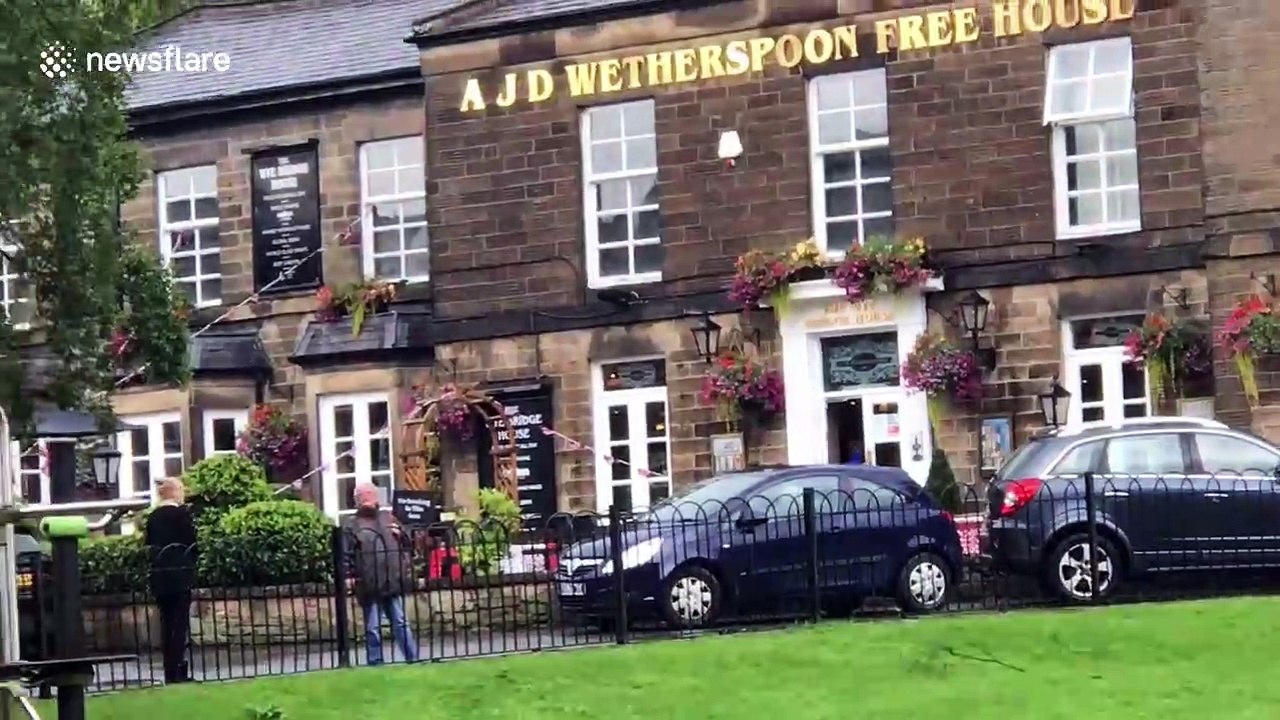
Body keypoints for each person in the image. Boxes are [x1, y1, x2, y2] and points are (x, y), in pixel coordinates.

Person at [342, 482, 419, 665]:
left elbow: (409, 545)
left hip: (392, 580)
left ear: (376, 497)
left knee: (401, 623)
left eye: (370, 494)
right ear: (356, 500)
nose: (367, 497)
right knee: (373, 627)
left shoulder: (389, 518)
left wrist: (401, 535)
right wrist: (348, 576)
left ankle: (413, 658)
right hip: (368, 582)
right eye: (362, 495)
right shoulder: (351, 525)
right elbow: (346, 553)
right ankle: (375, 662)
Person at [143, 478, 198, 684]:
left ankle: (169, 670)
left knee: (166, 625)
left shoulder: (153, 517)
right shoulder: (181, 515)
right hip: (180, 576)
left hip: (160, 577)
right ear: (176, 492)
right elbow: (192, 543)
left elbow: (149, 544)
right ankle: (178, 670)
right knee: (179, 625)